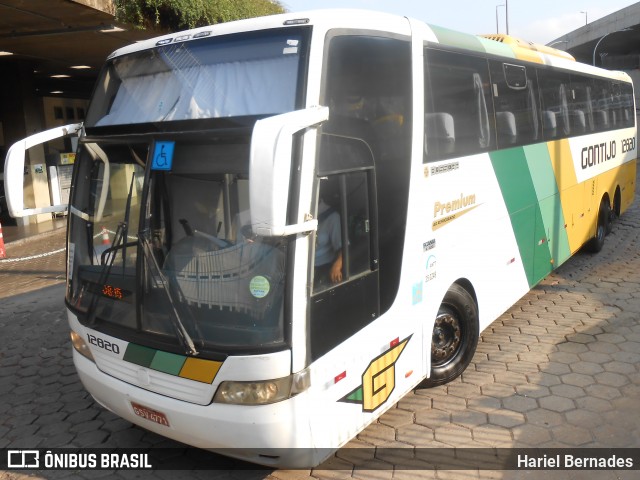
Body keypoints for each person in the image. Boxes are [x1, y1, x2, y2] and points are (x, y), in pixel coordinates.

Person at [314, 198, 343, 289]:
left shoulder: (332, 216)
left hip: (320, 268)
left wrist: (337, 265)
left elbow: (342, 247)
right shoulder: (297, 213)